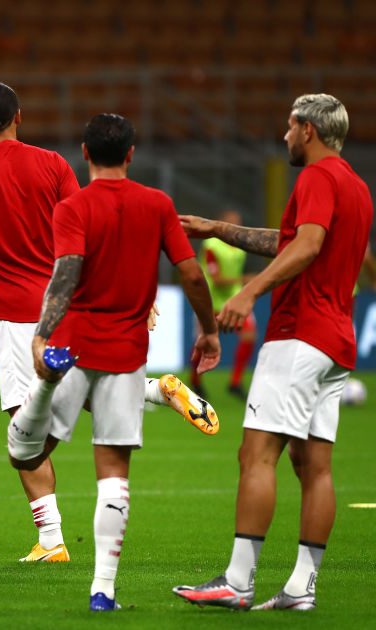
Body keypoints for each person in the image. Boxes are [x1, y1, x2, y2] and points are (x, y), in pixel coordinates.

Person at [0, 82, 219, 564]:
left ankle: (51, 540)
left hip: (21, 319)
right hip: (70, 307)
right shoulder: (54, 165)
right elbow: (91, 226)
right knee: (84, 391)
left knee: (24, 431)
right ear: (19, 117)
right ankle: (153, 391)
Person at [6, 113, 220, 611]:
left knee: (25, 456)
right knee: (114, 475)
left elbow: (67, 272)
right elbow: (191, 274)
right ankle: (102, 590)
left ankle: (43, 388)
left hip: (75, 347)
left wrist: (41, 335)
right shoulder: (157, 205)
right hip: (127, 355)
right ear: (130, 154)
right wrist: (209, 330)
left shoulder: (74, 207)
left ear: (84, 153)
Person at [174, 94, 372, 611]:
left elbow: (306, 247)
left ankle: (238, 581)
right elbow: (292, 239)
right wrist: (218, 228)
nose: (284, 136)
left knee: (256, 454)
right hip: (336, 341)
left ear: (308, 129)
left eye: (289, 126)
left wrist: (249, 292)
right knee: (315, 466)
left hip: (298, 333)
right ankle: (301, 587)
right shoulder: (356, 186)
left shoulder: (316, 178)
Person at [194, 208, 255, 398]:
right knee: (203, 342)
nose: (236, 225)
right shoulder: (212, 245)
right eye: (232, 221)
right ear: (222, 223)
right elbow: (217, 279)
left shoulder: (240, 247)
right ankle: (195, 381)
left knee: (249, 336)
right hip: (210, 301)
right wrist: (244, 280)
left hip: (234, 300)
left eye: (238, 221)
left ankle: (235, 382)